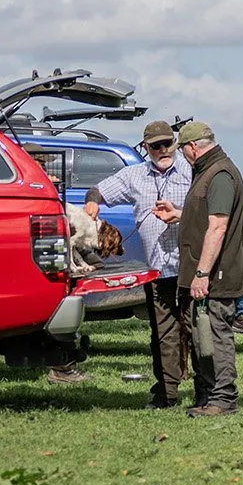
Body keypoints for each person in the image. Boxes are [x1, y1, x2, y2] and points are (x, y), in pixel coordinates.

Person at [156, 121, 243, 417]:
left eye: (182, 150)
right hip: (206, 272)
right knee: (201, 334)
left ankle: (224, 399)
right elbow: (206, 215)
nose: (181, 156)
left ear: (192, 147)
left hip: (218, 274)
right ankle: (208, 395)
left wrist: (202, 274)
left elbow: (218, 227)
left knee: (216, 333)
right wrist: (179, 214)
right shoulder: (207, 171)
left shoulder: (220, 174)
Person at [86, 119, 191, 408]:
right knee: (163, 334)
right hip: (156, 270)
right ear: (146, 148)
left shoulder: (191, 171)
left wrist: (180, 213)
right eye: (156, 146)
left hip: (191, 268)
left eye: (167, 144)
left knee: (196, 329)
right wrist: (92, 203)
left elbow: (211, 211)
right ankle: (167, 393)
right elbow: (97, 190)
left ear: (175, 143)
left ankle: (207, 391)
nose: (163, 150)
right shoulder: (134, 175)